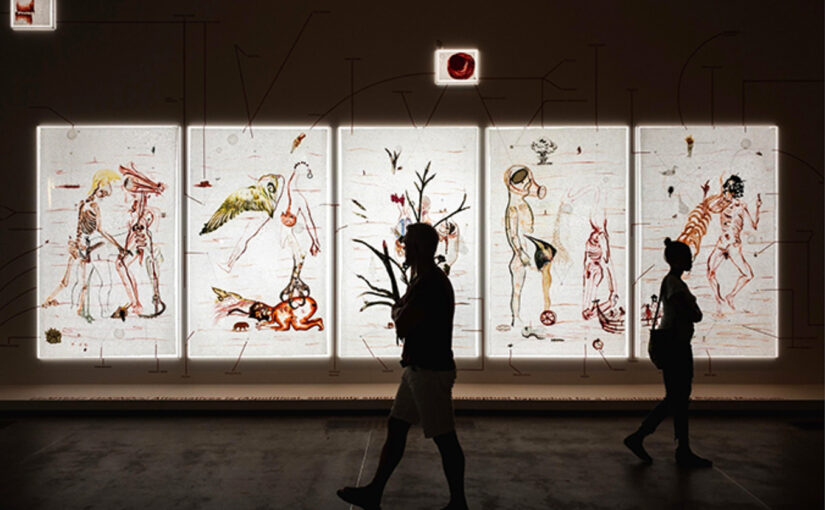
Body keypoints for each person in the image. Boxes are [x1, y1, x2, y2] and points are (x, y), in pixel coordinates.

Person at [337, 223, 469, 510]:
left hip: (429, 371)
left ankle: (459, 503)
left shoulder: (428, 283)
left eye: (407, 242)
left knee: (445, 438)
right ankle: (374, 493)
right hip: (418, 369)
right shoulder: (426, 280)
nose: (403, 246)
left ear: (418, 248)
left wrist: (397, 311)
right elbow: (404, 316)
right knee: (397, 426)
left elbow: (403, 322)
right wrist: (400, 311)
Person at [624, 238, 712, 468]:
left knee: (678, 398)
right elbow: (693, 314)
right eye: (687, 257)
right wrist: (694, 309)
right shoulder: (674, 284)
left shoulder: (672, 282)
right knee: (677, 397)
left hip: (675, 346)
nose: (690, 260)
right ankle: (645, 438)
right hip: (677, 348)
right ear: (677, 260)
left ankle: (678, 447)